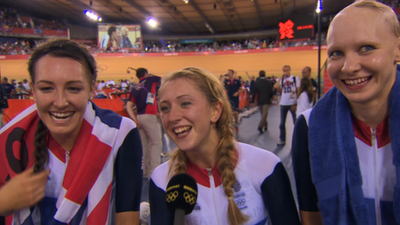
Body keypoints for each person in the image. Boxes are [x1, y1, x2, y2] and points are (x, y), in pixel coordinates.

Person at [0, 39, 143, 224]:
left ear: (92, 88)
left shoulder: (120, 134)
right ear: (33, 89)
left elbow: (127, 218)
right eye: (46, 88)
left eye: (73, 88)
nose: (60, 102)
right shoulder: (9, 139)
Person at [292, 1, 400, 224]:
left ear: (397, 50)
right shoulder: (308, 126)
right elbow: (312, 216)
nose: (348, 67)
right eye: (336, 53)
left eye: (366, 48)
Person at [149, 67, 300, 225]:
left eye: (185, 103)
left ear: (215, 110)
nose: (172, 117)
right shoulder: (160, 180)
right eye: (165, 108)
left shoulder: (266, 166)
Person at [126, 67, 163, 180]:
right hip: (150, 116)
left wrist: (134, 119)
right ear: (146, 73)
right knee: (156, 143)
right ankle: (154, 172)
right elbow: (164, 80)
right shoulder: (151, 80)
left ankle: (144, 171)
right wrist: (151, 75)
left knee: (144, 145)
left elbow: (128, 106)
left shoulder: (135, 87)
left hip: (139, 117)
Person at [275, 65, 300, 146]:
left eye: (287, 70)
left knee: (295, 122)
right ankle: (282, 139)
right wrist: (280, 78)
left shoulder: (295, 79)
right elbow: (276, 87)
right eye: (284, 70)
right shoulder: (282, 79)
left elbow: (298, 91)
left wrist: (295, 103)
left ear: (290, 70)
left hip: (292, 103)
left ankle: (298, 139)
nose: (286, 72)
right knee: (282, 123)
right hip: (283, 103)